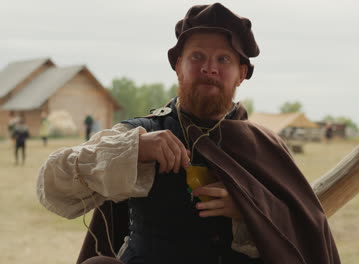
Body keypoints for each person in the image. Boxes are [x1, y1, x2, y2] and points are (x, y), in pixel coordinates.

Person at [37, 3, 340, 264]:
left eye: (223, 59)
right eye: (197, 57)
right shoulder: (139, 134)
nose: (209, 68)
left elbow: (307, 229)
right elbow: (51, 185)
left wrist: (249, 210)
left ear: (241, 74)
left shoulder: (266, 146)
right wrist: (135, 149)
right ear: (178, 65)